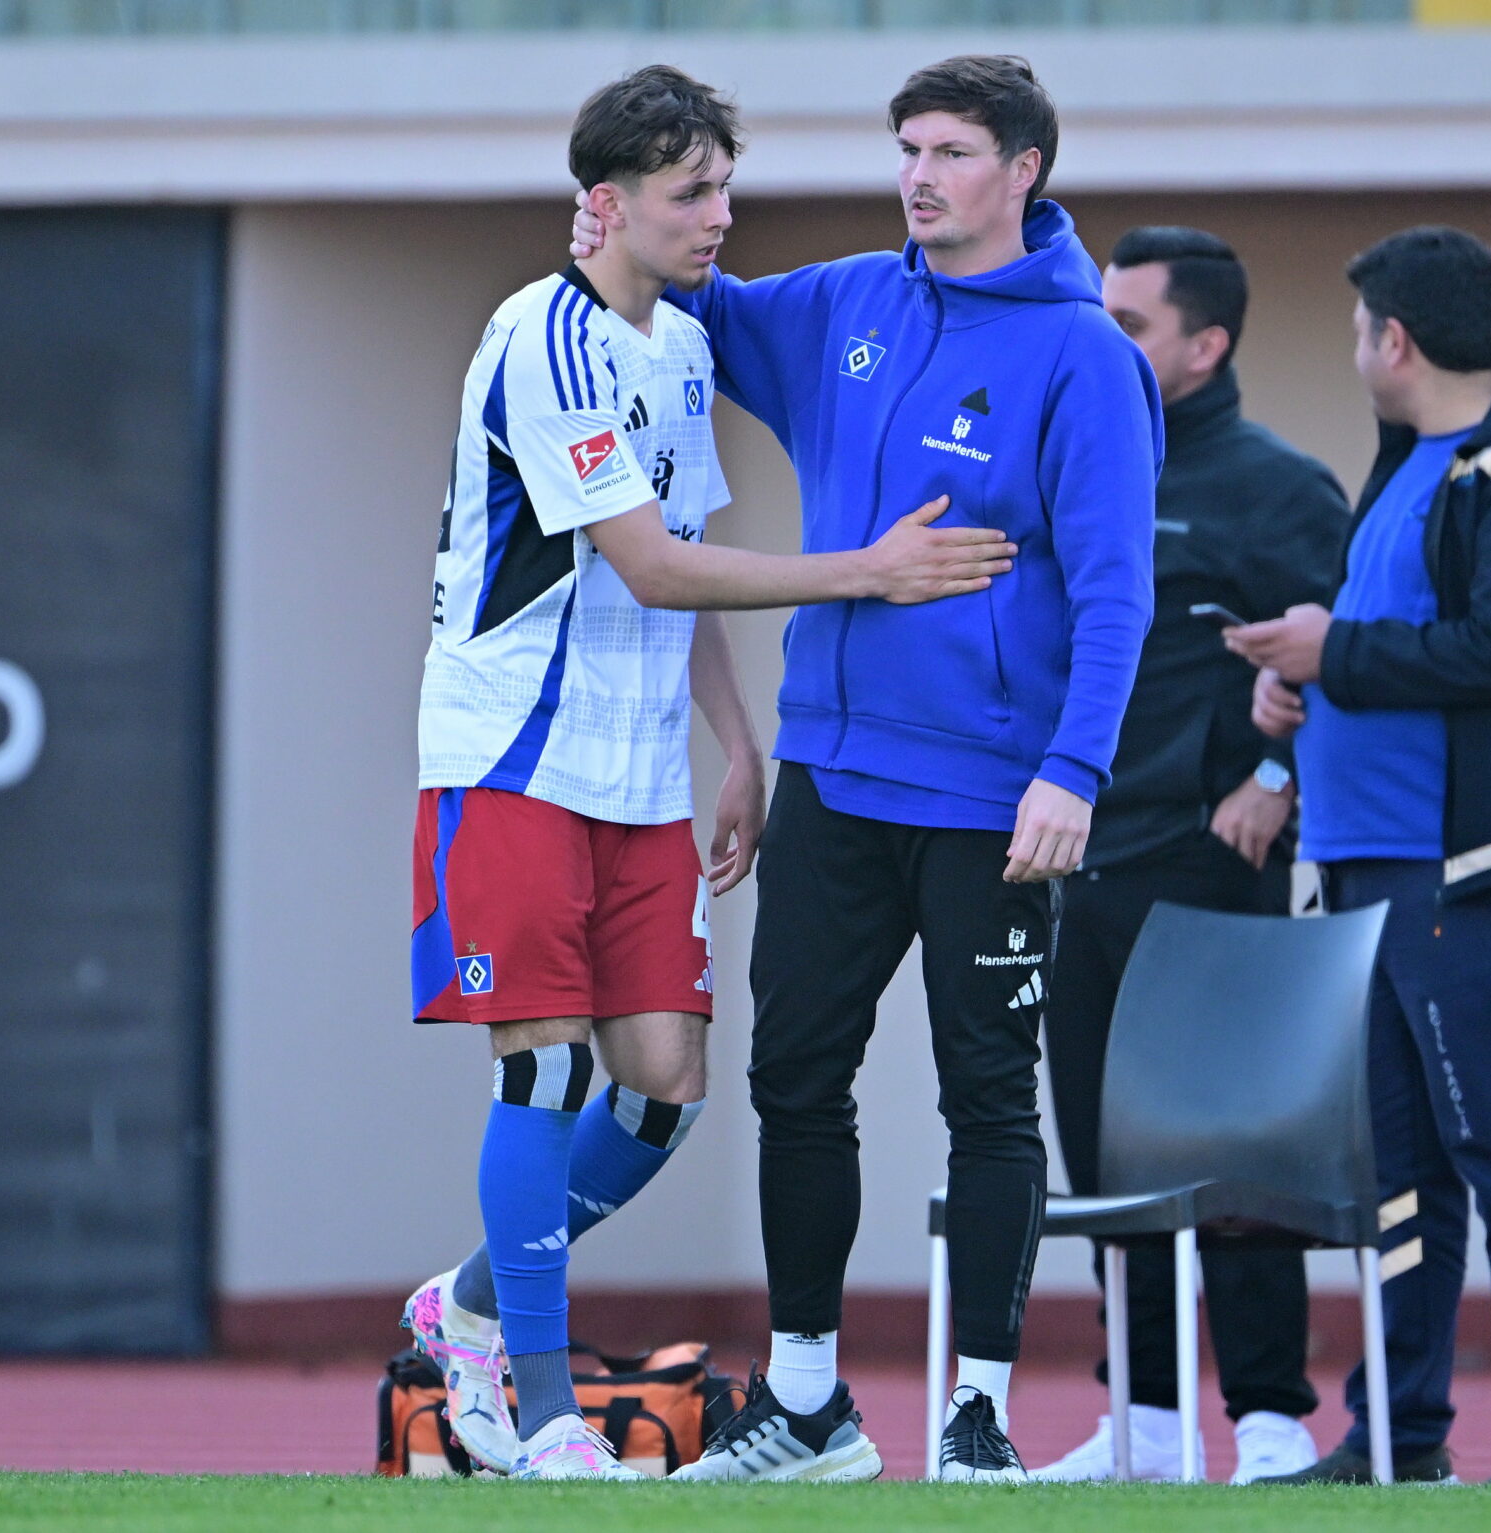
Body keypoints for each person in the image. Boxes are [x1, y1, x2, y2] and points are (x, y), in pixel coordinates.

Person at [400, 66, 1018, 1482]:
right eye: (695, 193)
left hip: (636, 772)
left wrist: (743, 747)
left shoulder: (679, 350)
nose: (722, 217)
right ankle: (542, 1412)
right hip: (510, 756)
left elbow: (675, 586)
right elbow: (654, 561)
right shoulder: (538, 336)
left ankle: (469, 1307)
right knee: (546, 1068)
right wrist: (868, 573)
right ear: (603, 205)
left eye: (727, 188)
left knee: (665, 1088)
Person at [570, 54, 1160, 1483]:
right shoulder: (842, 301)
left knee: (988, 1100)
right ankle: (812, 1401)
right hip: (834, 775)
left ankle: (976, 1411)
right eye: (908, 147)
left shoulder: (1085, 356)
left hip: (991, 796)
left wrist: (1071, 771)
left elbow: (1118, 589)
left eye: (952, 150)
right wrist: (608, 221)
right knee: (795, 1077)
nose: (920, 174)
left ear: (1022, 171)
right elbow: (684, 290)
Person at [1228, 226, 1491, 1487]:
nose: (1355, 349)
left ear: (1393, 339)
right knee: (1397, 1175)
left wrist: (1332, 655)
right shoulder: (1409, 467)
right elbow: (1386, 652)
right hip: (1367, 877)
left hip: (1479, 874)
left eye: (1360, 329)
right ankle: (1395, 1441)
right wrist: (1297, 703)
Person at [1029, 226, 1347, 1485]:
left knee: (1236, 1153)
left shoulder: (1281, 490)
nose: (1102, 341)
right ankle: (1146, 1428)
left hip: (1214, 875)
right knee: (1105, 1158)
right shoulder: (1073, 464)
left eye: (1132, 326)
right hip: (1078, 871)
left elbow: (1350, 669)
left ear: (1206, 347)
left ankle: (1270, 1419)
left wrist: (1275, 780)